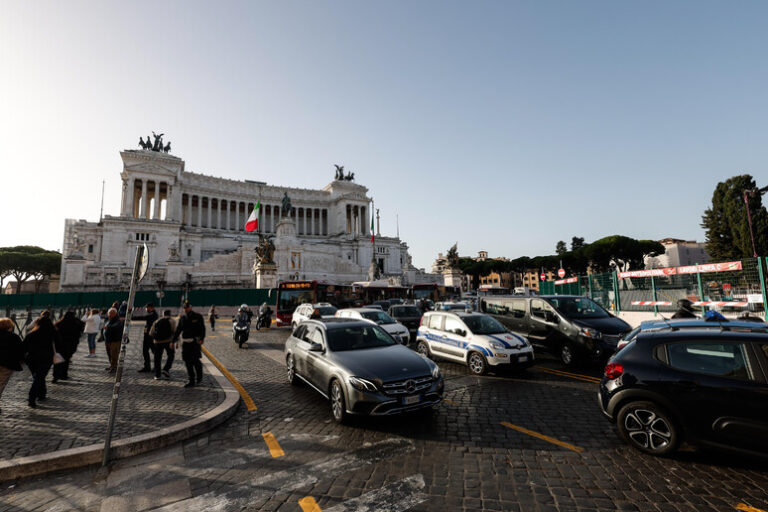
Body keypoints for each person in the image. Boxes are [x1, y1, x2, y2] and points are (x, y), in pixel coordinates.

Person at [22, 313, 60, 408]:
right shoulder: (53, 333)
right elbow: (60, 344)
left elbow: (23, 348)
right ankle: (33, 397)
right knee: (39, 376)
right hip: (46, 358)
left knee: (38, 376)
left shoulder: (31, 335)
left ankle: (41, 394)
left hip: (31, 359)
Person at [173, 301, 206, 388]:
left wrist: (202, 338)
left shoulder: (197, 316)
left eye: (187, 307)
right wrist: (173, 341)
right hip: (186, 343)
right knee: (187, 362)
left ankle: (199, 377)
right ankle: (191, 380)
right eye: (184, 308)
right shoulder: (183, 318)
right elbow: (178, 330)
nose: (186, 309)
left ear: (190, 307)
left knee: (195, 361)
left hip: (194, 342)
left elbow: (202, 328)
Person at [0, 317, 25, 413]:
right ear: (9, 327)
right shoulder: (14, 337)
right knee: (1, 384)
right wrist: (21, 360)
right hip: (7, 364)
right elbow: (21, 350)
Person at [52, 311, 84, 382]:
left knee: (57, 361)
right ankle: (64, 375)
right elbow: (81, 327)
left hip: (59, 345)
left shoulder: (59, 324)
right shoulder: (75, 324)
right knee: (66, 361)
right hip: (70, 345)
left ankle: (55, 376)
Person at [149, 309, 177, 380]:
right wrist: (175, 342)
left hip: (157, 342)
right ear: (170, 314)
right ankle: (166, 368)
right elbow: (175, 332)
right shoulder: (172, 321)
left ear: (163, 314)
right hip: (168, 341)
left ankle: (157, 375)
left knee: (157, 358)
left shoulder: (157, 321)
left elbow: (151, 333)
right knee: (171, 355)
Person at [133, 303, 159, 373]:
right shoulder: (152, 314)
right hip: (147, 337)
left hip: (151, 337)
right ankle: (147, 367)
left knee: (155, 352)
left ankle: (156, 367)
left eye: (147, 308)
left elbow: (143, 317)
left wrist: (131, 317)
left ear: (151, 308)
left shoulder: (153, 314)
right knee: (145, 352)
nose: (146, 309)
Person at [102, 308, 124, 373]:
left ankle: (114, 367)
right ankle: (112, 365)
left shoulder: (118, 320)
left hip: (115, 340)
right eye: (109, 313)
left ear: (115, 313)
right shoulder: (108, 319)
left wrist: (108, 327)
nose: (110, 315)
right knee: (109, 354)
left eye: (111, 313)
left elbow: (116, 327)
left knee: (114, 354)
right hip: (108, 340)